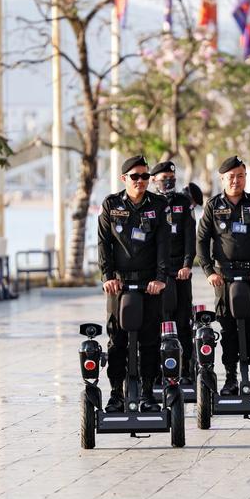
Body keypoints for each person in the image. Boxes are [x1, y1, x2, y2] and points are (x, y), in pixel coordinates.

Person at [196, 155, 250, 396]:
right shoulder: (213, 206)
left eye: (240, 176)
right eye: (231, 177)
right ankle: (230, 379)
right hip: (224, 277)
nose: (235, 181)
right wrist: (209, 271)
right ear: (222, 179)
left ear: (245, 177)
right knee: (228, 330)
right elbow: (201, 240)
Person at [97, 155, 170, 412]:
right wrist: (107, 277)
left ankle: (148, 394)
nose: (140, 181)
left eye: (145, 176)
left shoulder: (159, 205)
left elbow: (163, 245)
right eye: (135, 176)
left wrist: (160, 279)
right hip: (119, 284)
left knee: (150, 341)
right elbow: (104, 243)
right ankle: (116, 394)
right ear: (124, 178)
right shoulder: (111, 204)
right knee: (117, 341)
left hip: (149, 284)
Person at [149, 160, 197, 384]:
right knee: (157, 320)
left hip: (180, 271)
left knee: (182, 320)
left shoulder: (183, 203)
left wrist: (187, 265)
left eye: (171, 179)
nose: (168, 182)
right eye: (164, 179)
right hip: (157, 273)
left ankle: (185, 368)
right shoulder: (150, 203)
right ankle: (156, 370)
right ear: (154, 180)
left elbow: (190, 237)